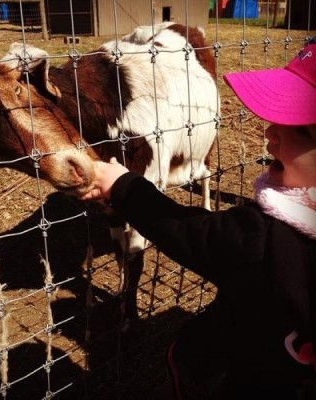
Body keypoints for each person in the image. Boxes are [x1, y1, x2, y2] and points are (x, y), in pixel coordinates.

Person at [80, 38, 316, 399]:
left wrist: (123, 186)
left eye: (299, 129)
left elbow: (187, 230)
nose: (270, 132)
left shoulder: (263, 238)